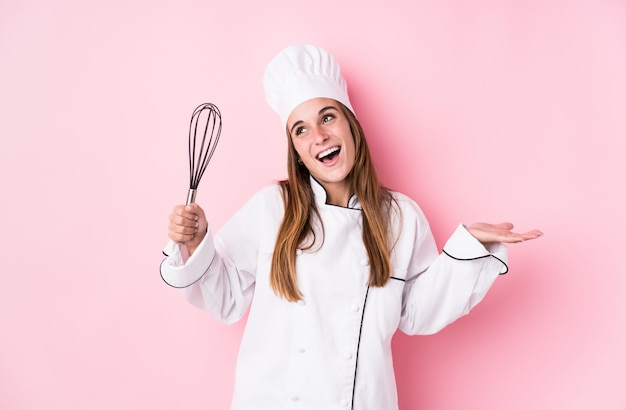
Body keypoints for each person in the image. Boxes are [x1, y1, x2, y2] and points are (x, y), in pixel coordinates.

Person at [160, 44, 542, 410]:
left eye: (327, 117)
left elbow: (416, 310)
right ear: (296, 150)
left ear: (351, 123)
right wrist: (195, 244)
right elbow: (225, 297)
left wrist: (468, 248)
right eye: (301, 130)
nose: (319, 136)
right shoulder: (271, 208)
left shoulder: (401, 217)